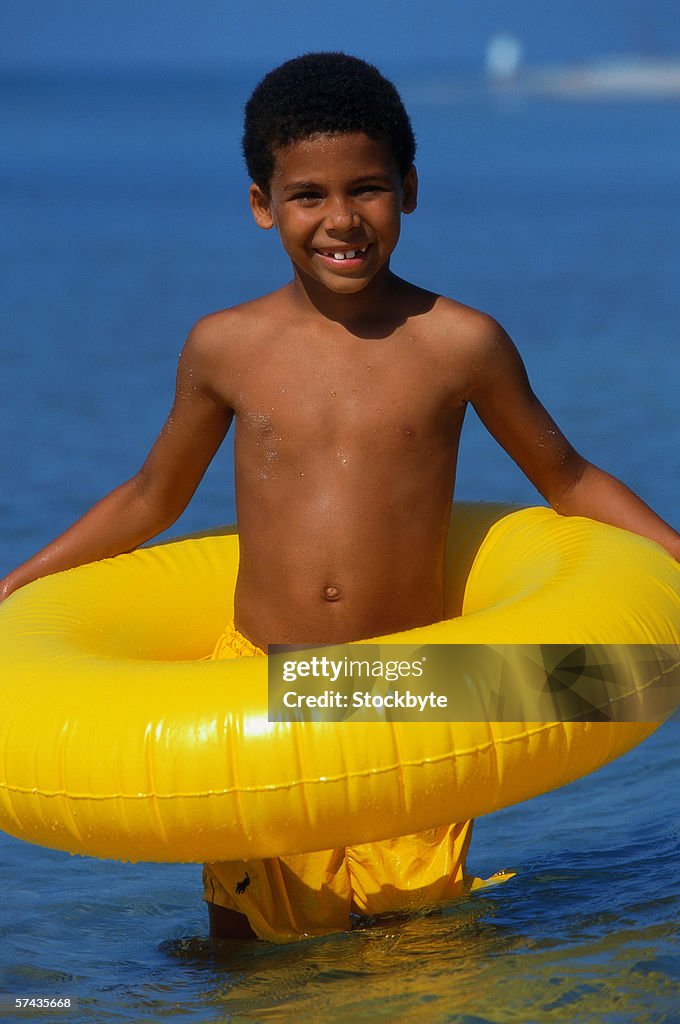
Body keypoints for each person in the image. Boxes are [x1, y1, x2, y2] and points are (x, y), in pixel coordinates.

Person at [1, 52, 679, 943]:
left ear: (408, 188)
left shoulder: (460, 341)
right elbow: (149, 498)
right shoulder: (226, 345)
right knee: (247, 958)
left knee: (418, 953)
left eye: (367, 188)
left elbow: (569, 478)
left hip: (402, 689)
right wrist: (20, 585)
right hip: (258, 685)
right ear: (262, 205)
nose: (341, 219)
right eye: (307, 196)